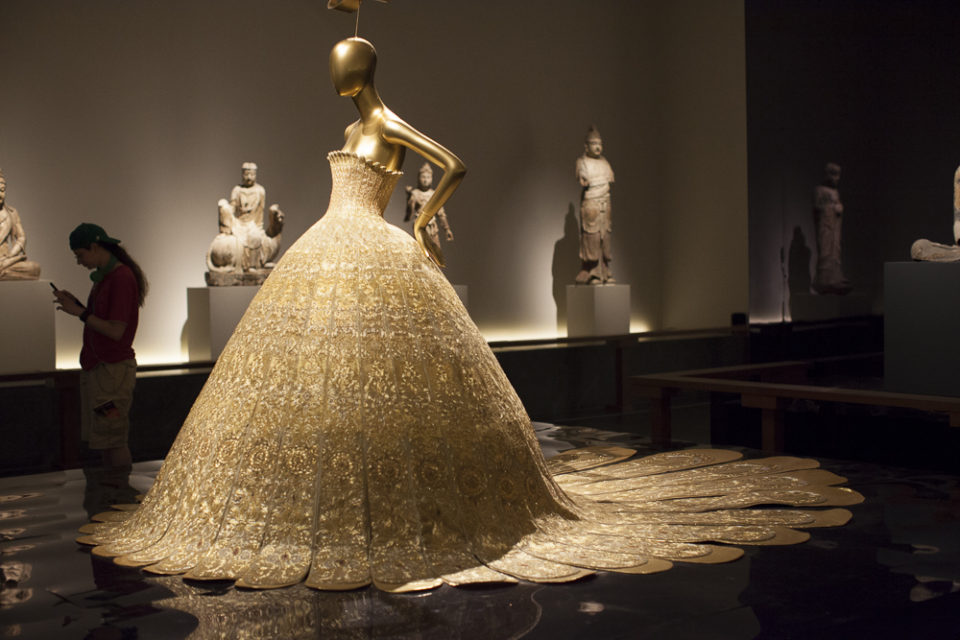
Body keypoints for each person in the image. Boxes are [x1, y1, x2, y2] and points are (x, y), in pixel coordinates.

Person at [79, 37, 860, 593]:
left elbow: (452, 164)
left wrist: (419, 224)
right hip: (327, 247)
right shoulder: (355, 127)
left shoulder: (383, 123)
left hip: (373, 245)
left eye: (340, 65)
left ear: (358, 69)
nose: (334, 75)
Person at [53, 224, 147, 476]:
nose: (79, 261)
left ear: (95, 247)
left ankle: (121, 497)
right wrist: (79, 307)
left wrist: (80, 313)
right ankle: (113, 496)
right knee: (105, 438)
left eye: (80, 255)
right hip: (101, 369)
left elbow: (116, 331)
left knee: (113, 437)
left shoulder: (121, 277)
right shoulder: (108, 277)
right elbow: (103, 321)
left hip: (112, 372)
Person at [575, 126, 615, 284]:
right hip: (591, 203)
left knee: (605, 236)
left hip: (605, 202)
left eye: (600, 143)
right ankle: (592, 271)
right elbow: (585, 180)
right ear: (587, 146)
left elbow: (610, 179)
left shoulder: (605, 162)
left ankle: (605, 270)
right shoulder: (582, 162)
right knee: (592, 236)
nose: (598, 147)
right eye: (594, 144)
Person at [812, 162, 852, 294]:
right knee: (826, 251)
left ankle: (835, 277)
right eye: (834, 175)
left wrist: (839, 207)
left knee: (836, 249)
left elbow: (837, 205)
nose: (837, 178)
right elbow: (818, 207)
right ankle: (825, 279)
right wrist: (832, 208)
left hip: (834, 225)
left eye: (838, 175)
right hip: (826, 225)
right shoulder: (820, 190)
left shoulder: (835, 191)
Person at [0, 168, 41, 281]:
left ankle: (3, 272)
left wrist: (12, 254)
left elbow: (21, 237)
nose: (0, 194)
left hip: (6, 260)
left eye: (2, 190)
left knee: (34, 268)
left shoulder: (12, 213)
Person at [405, 162, 453, 257]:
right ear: (419, 178)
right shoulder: (415, 194)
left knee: (435, 254)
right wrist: (409, 197)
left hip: (432, 228)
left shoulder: (434, 195)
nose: (425, 180)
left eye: (428, 177)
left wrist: (447, 229)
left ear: (431, 179)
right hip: (419, 227)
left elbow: (441, 214)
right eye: (423, 177)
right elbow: (408, 216)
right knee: (419, 253)